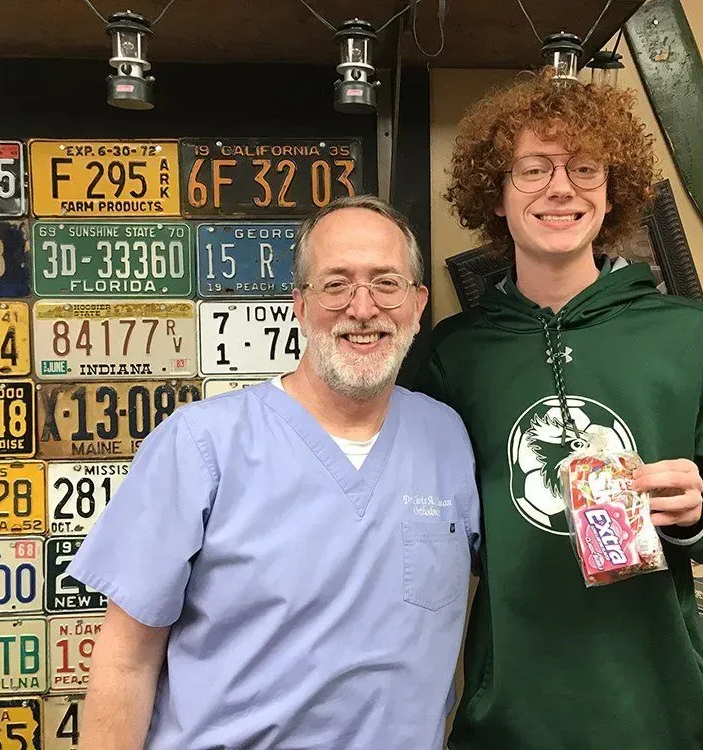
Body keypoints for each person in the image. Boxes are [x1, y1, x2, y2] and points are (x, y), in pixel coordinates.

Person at [416, 69, 703, 749]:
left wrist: (701, 513)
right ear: (494, 192)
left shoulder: (688, 335)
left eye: (585, 168)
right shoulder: (453, 356)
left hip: (662, 715)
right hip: (508, 719)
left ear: (614, 193)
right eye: (533, 169)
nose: (561, 188)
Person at [67, 195, 481, 750]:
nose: (363, 308)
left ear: (417, 303)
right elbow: (126, 661)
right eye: (336, 284)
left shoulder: (447, 437)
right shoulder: (200, 444)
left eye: (386, 283)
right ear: (300, 304)